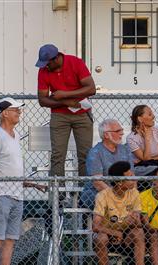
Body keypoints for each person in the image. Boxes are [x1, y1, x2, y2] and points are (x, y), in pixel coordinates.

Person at [0, 98, 46, 265]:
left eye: (18, 109)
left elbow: (11, 167)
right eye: (14, 109)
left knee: (10, 239)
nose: (19, 112)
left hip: (18, 195)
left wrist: (32, 184)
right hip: (1, 194)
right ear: (4, 113)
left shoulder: (16, 136)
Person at [36, 43, 96, 177]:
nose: (45, 66)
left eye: (47, 63)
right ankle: (59, 196)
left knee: (85, 155)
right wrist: (65, 102)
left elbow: (91, 89)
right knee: (57, 155)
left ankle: (84, 194)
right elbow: (42, 100)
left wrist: (64, 94)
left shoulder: (75, 62)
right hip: (59, 116)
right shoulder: (44, 71)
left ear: (56, 58)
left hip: (82, 113)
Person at [92, 161, 151, 265]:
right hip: (108, 236)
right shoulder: (103, 195)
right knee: (101, 238)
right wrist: (114, 233)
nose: (133, 178)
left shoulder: (134, 193)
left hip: (127, 237)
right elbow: (95, 226)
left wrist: (135, 221)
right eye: (129, 176)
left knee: (139, 232)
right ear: (119, 182)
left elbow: (139, 224)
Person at [79, 119, 134, 209]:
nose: (122, 133)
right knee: (108, 201)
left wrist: (131, 195)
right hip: (97, 192)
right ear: (106, 135)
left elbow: (132, 177)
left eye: (121, 130)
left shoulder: (125, 150)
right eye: (117, 131)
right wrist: (116, 196)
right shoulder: (95, 152)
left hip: (122, 191)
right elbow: (98, 183)